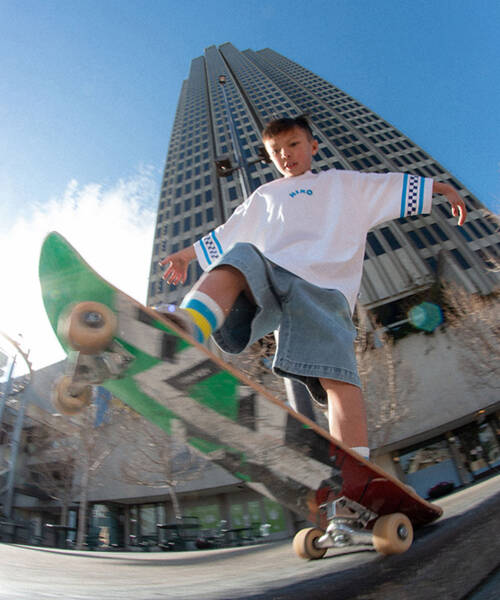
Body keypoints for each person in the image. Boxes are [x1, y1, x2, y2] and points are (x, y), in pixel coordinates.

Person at [159, 116, 466, 461]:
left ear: (313, 146)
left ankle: (355, 464)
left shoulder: (342, 184)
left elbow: (389, 185)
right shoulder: (265, 195)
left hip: (324, 292)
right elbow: (227, 232)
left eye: (293, 145)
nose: (286, 155)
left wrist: (441, 189)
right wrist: (185, 256)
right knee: (239, 257)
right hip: (272, 277)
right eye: (276, 151)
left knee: (338, 377)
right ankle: (187, 325)